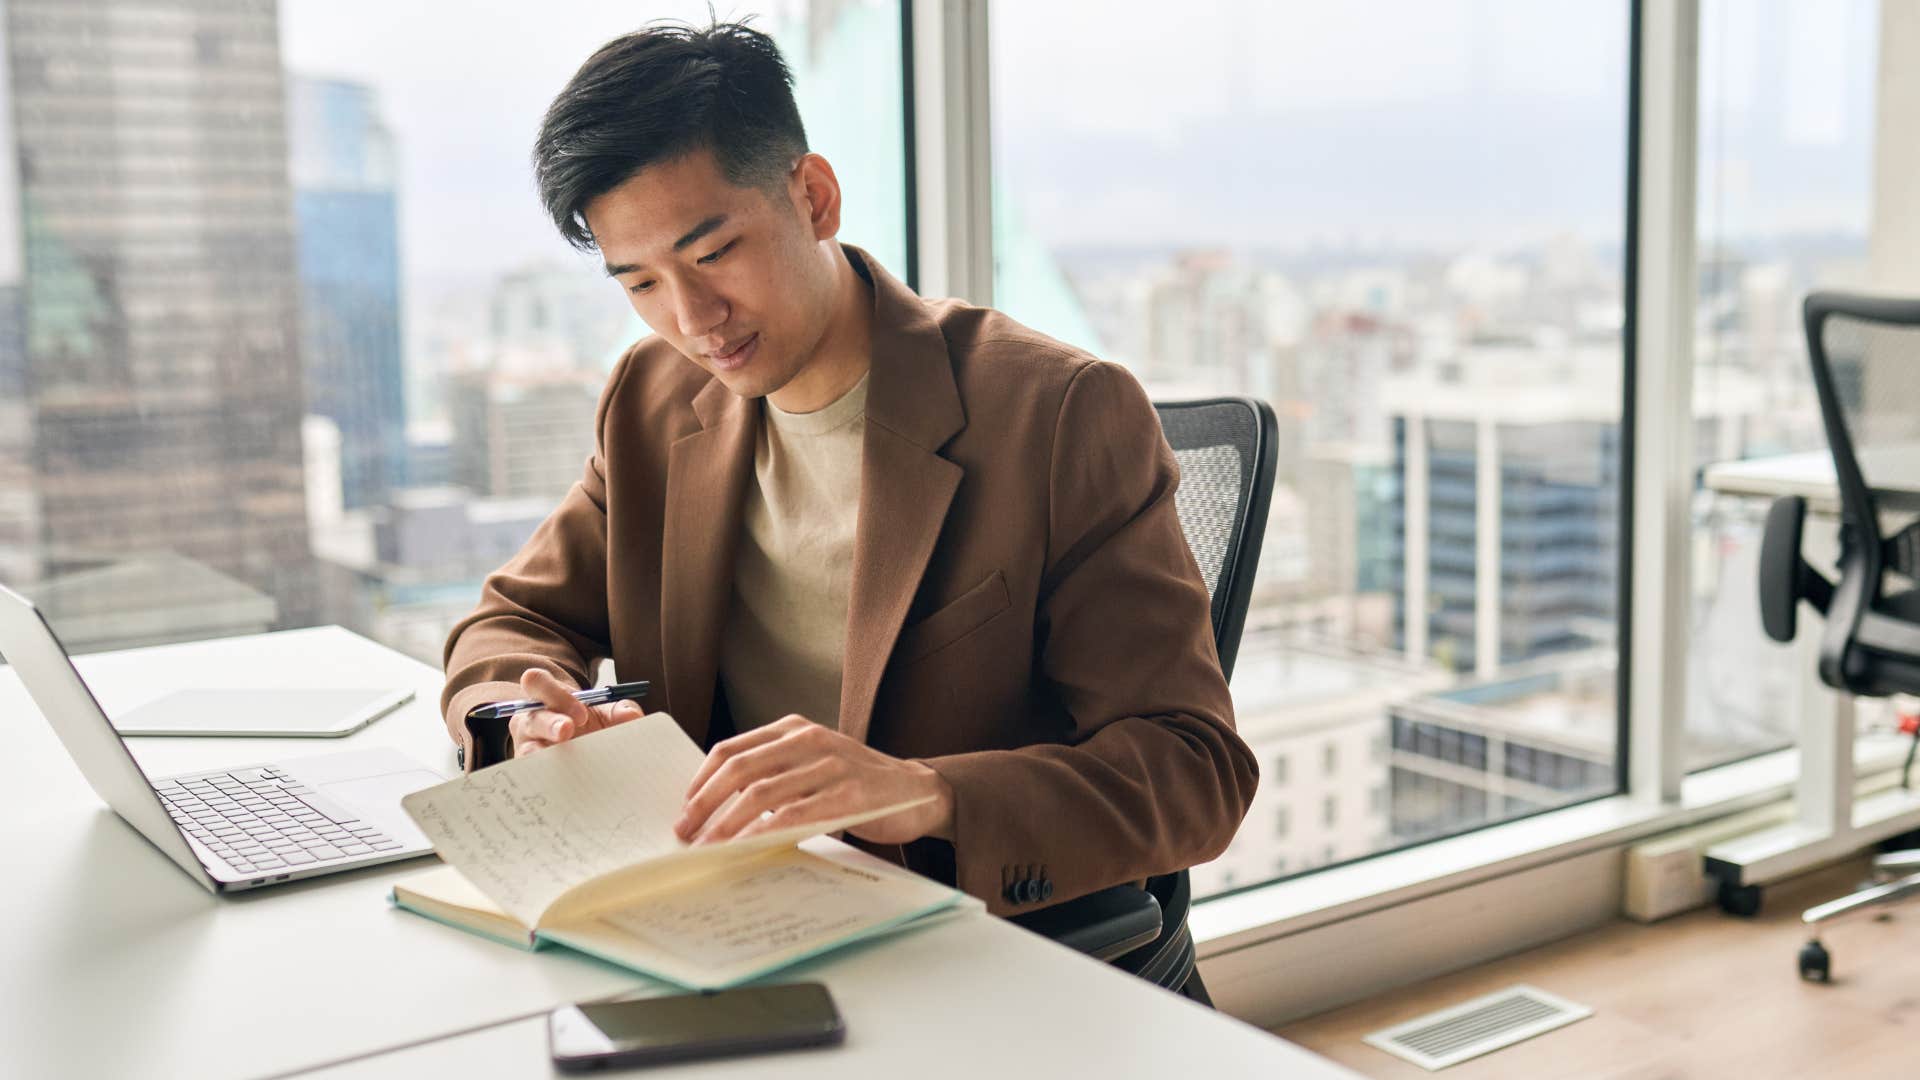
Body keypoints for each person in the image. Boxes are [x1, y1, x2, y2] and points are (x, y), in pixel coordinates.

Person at [440, 19, 1257, 916]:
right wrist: (526, 717)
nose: (692, 318)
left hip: (961, 940)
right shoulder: (654, 395)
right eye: (640, 283)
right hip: (716, 911)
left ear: (815, 197)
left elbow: (1195, 769)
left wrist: (926, 792)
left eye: (714, 254)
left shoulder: (1058, 415)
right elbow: (514, 618)